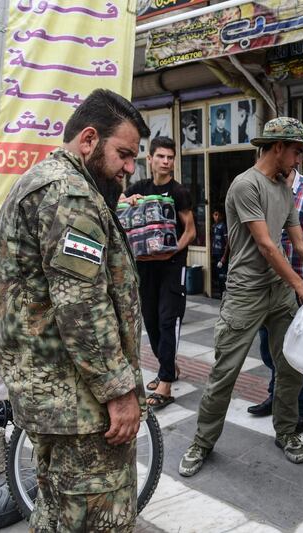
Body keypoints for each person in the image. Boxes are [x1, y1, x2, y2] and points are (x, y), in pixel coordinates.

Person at [0, 89, 149, 532]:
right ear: (88, 139)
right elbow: (82, 307)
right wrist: (119, 392)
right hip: (79, 405)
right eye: (123, 154)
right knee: (98, 520)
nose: (128, 168)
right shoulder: (71, 195)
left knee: (58, 511)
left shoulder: (44, 180)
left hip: (55, 396)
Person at [179, 117, 303, 478]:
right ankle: (202, 441)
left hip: (277, 292)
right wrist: (300, 285)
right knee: (225, 372)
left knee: (290, 365)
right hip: (245, 292)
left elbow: (300, 242)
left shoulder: (284, 189)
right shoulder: (245, 185)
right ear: (278, 147)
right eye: (296, 151)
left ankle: (286, 431)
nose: (298, 160)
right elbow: (265, 244)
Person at [246, 161, 303, 433]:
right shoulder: (263, 191)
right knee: (270, 350)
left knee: (298, 351)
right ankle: (278, 397)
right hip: (269, 288)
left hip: (300, 287)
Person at [122, 136, 196, 410]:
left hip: (172, 266)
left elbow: (191, 230)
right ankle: (170, 367)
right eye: (161, 157)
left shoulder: (179, 192)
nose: (166, 161)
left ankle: (165, 381)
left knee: (168, 320)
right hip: (145, 264)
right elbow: (118, 205)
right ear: (149, 159)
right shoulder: (139, 187)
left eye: (170, 157)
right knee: (151, 320)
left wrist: (173, 250)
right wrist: (129, 201)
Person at [211, 207, 229, 296]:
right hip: (215, 253)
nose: (216, 217)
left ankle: (223, 293)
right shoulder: (213, 226)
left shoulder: (223, 226)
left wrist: (224, 257)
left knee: (222, 275)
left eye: (218, 215)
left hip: (221, 254)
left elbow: (227, 243)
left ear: (221, 216)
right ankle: (219, 292)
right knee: (217, 274)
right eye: (215, 215)